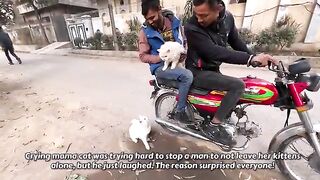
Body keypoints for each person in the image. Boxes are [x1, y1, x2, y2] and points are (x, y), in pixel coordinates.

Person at [184, 0, 278, 146]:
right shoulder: (191, 27)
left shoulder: (228, 18)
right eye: (197, 15)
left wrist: (255, 57)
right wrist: (250, 59)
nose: (199, 19)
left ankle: (220, 117)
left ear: (219, 8)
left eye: (204, 15)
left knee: (246, 87)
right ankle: (213, 126)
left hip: (213, 69)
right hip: (197, 71)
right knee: (237, 86)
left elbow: (236, 42)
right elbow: (214, 52)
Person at [139, 0, 193, 122]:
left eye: (152, 17)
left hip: (178, 61)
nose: (150, 21)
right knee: (187, 76)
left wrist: (184, 52)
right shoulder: (144, 32)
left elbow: (183, 40)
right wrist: (160, 58)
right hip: (159, 67)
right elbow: (143, 56)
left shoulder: (174, 22)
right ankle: (180, 112)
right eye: (148, 19)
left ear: (159, 9)